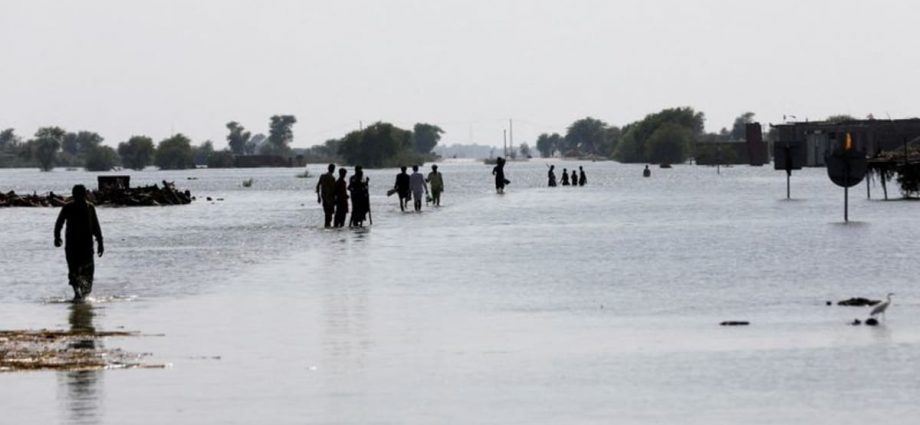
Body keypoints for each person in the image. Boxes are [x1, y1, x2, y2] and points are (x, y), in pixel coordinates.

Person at [54, 185, 104, 300]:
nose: (79, 197)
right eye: (77, 195)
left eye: (81, 195)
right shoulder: (68, 207)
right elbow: (59, 223)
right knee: (73, 270)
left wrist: (100, 242)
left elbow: (96, 226)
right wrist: (57, 237)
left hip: (86, 245)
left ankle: (84, 294)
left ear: (84, 195)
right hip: (72, 246)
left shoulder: (90, 208)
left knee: (88, 271)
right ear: (74, 195)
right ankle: (77, 293)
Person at [316, 164, 337, 228]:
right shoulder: (332, 178)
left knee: (327, 213)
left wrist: (318, 196)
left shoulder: (323, 176)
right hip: (329, 197)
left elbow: (318, 186)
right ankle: (327, 225)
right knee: (329, 213)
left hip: (324, 197)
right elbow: (334, 190)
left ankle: (327, 225)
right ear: (333, 170)